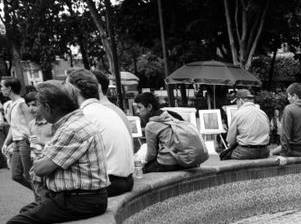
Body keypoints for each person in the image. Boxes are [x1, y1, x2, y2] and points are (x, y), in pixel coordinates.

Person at [0, 80, 109, 224]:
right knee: (24, 214)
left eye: (37, 105)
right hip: (74, 197)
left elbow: (41, 167)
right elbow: (41, 165)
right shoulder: (71, 124)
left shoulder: (72, 129)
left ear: (49, 106)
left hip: (81, 200)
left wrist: (41, 165)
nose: (35, 111)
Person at [66, 69, 134, 197]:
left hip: (110, 183)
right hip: (126, 180)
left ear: (75, 90)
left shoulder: (84, 114)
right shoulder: (108, 110)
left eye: (67, 87)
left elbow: (63, 159)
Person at [133, 92, 183, 173]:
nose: (137, 111)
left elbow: (151, 155)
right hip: (184, 159)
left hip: (169, 162)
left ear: (149, 107)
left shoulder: (151, 125)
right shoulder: (171, 114)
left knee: (139, 171)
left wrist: (142, 162)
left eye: (139, 107)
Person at [1, 77, 35, 189]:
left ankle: (41, 199)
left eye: (2, 87)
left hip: (25, 142)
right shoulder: (10, 104)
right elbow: (12, 127)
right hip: (16, 143)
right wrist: (6, 143)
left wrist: (34, 143)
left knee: (30, 175)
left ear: (9, 88)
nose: (1, 89)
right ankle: (43, 196)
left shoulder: (22, 104)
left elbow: (32, 123)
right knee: (16, 175)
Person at [224, 89, 270, 160]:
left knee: (225, 155)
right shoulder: (262, 113)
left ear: (240, 101)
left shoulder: (238, 114)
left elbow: (230, 140)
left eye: (236, 102)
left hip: (246, 151)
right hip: (265, 151)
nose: (237, 105)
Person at [25, 91, 54, 201]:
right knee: (37, 192)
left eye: (34, 105)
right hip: (35, 161)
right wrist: (28, 141)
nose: (31, 108)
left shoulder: (52, 123)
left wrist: (41, 141)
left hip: (47, 163)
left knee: (47, 192)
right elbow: (32, 143)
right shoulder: (31, 124)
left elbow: (58, 144)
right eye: (29, 105)